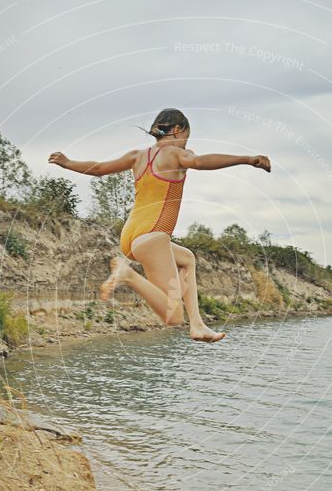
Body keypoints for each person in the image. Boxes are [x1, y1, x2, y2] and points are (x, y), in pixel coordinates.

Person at [48, 108, 271, 343]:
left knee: (187, 259)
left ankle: (197, 325)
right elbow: (198, 161)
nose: (186, 143)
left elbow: (100, 169)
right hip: (153, 235)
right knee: (173, 317)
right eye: (186, 137)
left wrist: (68, 162)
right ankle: (127, 275)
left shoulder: (137, 155)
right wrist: (246, 160)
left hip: (131, 237)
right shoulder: (175, 153)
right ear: (177, 130)